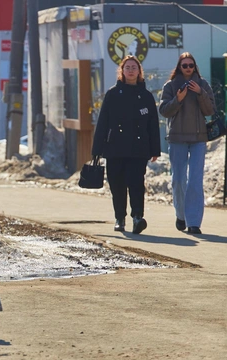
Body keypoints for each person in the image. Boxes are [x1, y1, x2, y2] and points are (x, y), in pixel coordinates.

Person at [91, 56, 161, 234]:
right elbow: (103, 123)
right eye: (127, 67)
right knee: (117, 184)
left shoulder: (146, 96)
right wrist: (97, 149)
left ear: (139, 72)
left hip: (139, 148)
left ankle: (137, 217)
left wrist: (155, 149)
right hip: (115, 147)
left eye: (134, 68)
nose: (130, 70)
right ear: (122, 71)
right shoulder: (113, 94)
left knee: (136, 183)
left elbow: (153, 124)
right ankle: (119, 217)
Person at [159, 52, 215, 235]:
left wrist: (200, 93)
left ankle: (194, 223)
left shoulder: (203, 85)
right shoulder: (170, 86)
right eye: (185, 65)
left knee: (195, 181)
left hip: (198, 139)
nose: (188, 68)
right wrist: (179, 99)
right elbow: (165, 111)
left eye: (191, 65)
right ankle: (180, 214)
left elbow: (210, 110)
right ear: (179, 67)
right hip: (177, 138)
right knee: (178, 180)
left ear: (195, 67)